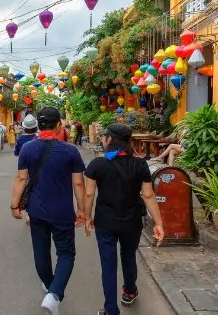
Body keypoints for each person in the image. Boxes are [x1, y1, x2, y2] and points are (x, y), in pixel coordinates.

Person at [11, 107, 86, 315]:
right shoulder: (70, 151)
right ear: (59, 125)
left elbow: (21, 179)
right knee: (66, 254)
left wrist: (14, 205)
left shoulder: (27, 149)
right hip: (63, 212)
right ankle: (54, 294)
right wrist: (82, 210)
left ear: (38, 126)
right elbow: (78, 184)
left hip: (37, 211)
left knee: (40, 251)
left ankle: (50, 286)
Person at [83, 123, 164, 315]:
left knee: (108, 264)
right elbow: (148, 195)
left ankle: (111, 309)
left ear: (110, 140)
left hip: (105, 222)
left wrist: (87, 217)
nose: (102, 139)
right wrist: (158, 223)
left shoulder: (98, 164)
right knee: (128, 256)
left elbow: (88, 194)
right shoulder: (140, 164)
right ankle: (129, 291)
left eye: (104, 137)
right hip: (132, 221)